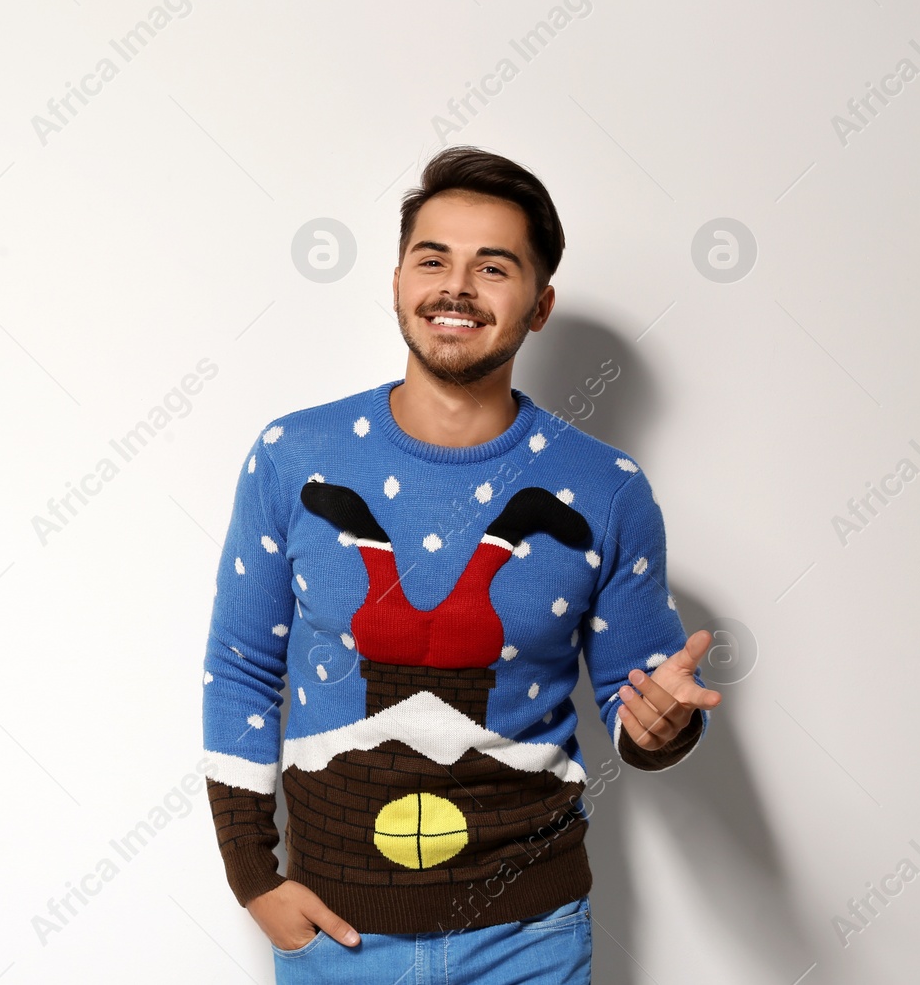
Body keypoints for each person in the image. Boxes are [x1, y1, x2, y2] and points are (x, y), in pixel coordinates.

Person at [200, 146, 722, 983]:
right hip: (336, 936)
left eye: (494, 266)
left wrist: (666, 726)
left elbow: (646, 702)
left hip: (532, 936)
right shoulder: (294, 456)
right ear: (400, 278)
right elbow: (240, 668)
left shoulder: (608, 488)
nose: (456, 287)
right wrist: (253, 878)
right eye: (432, 258)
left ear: (540, 304)